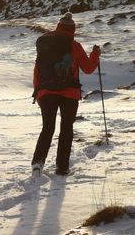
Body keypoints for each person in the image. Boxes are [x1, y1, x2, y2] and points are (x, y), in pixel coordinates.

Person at [31, 12, 101, 177]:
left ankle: (37, 163)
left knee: (48, 127)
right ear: (72, 29)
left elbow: (37, 70)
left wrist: (39, 92)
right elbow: (89, 69)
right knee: (66, 128)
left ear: (58, 26)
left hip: (46, 92)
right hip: (69, 93)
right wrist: (95, 55)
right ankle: (62, 167)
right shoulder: (74, 46)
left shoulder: (45, 44)